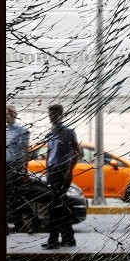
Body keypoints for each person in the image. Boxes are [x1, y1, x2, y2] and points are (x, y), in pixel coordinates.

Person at [42, 104, 78, 249]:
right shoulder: (50, 133)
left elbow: (77, 152)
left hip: (63, 172)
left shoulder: (68, 132)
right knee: (61, 207)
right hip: (52, 172)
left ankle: (53, 240)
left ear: (61, 115)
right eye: (50, 114)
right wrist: (47, 168)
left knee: (54, 207)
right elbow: (50, 152)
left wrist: (69, 171)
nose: (52, 117)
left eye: (55, 114)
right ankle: (69, 239)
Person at [5, 104, 32, 232]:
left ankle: (34, 219)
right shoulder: (5, 130)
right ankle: (17, 224)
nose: (6, 117)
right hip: (5, 166)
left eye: (8, 114)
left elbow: (26, 152)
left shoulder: (22, 131)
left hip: (16, 166)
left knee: (17, 196)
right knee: (9, 196)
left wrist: (25, 170)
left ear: (13, 115)